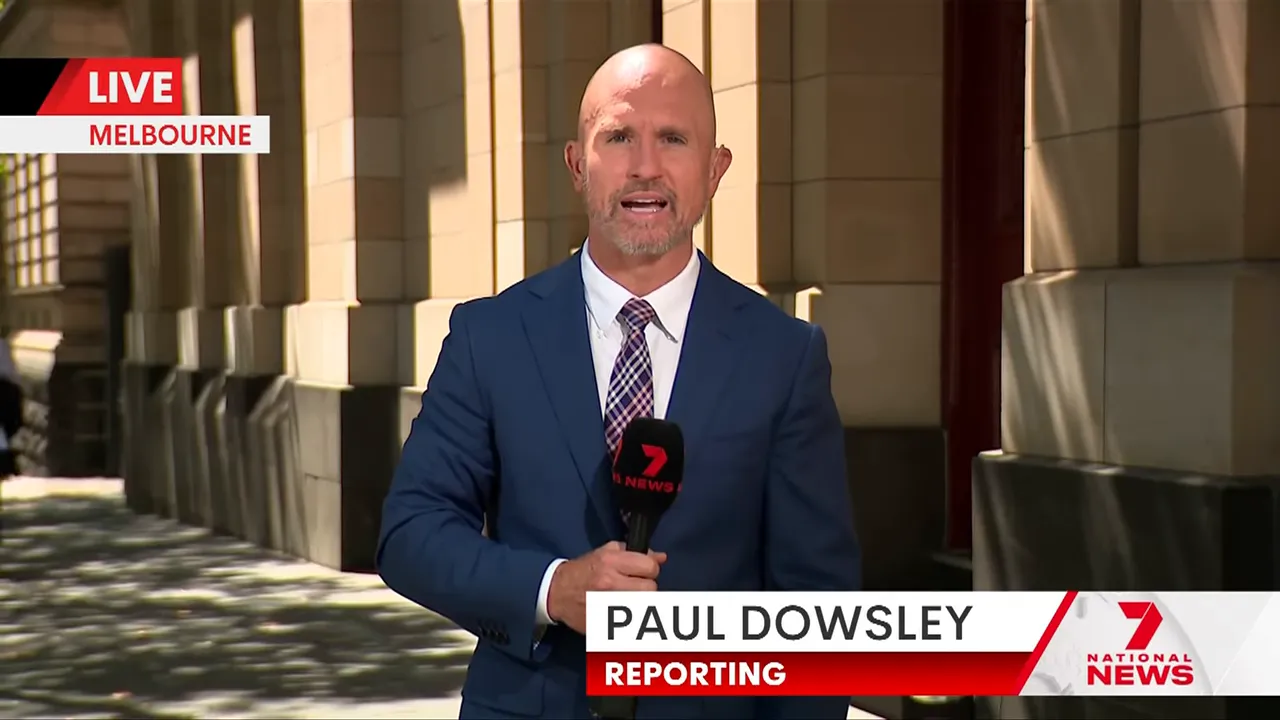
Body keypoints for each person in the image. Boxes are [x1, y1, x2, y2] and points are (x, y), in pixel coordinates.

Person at [378, 43, 861, 719]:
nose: (645, 167)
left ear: (715, 170)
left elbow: (816, 603)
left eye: (673, 138)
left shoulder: (783, 355)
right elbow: (411, 535)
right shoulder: (491, 336)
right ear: (578, 165)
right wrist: (554, 588)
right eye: (619, 137)